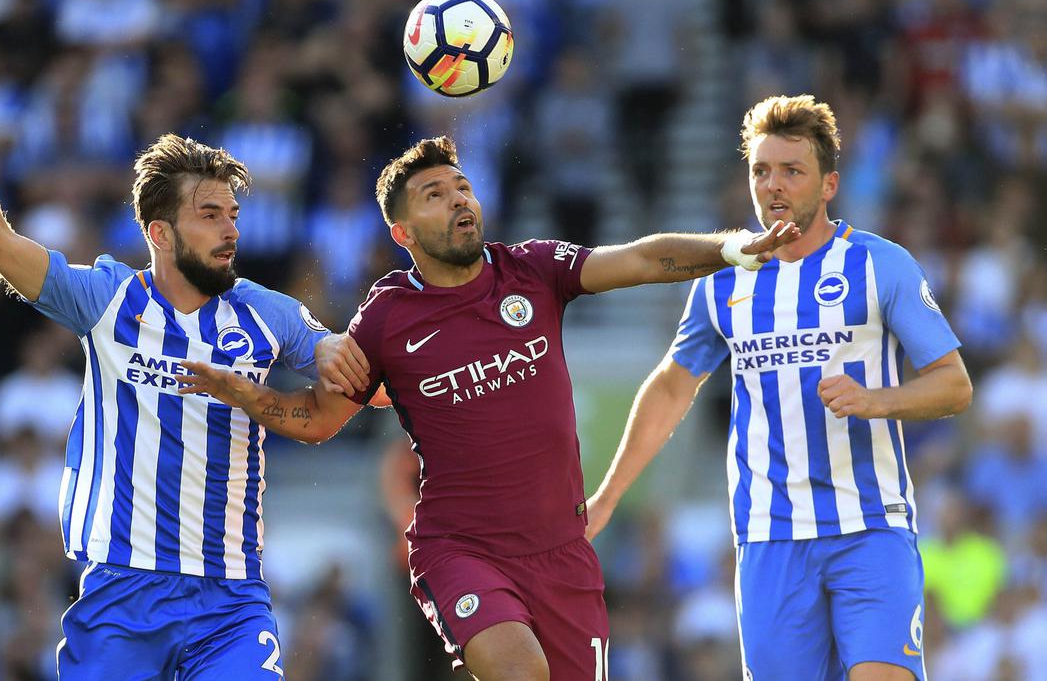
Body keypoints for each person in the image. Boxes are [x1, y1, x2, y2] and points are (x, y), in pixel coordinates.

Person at [175, 135, 800, 680]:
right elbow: (316, 418)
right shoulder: (388, 317)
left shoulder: (532, 268)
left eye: (462, 187)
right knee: (520, 669)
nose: (458, 201)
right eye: (435, 196)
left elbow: (638, 258)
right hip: (461, 549)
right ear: (403, 233)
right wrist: (242, 392)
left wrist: (731, 250)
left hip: (564, 552)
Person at [0, 49, 370, 679]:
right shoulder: (105, 299)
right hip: (122, 593)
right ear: (160, 233)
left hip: (231, 600)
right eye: (209, 215)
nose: (230, 231)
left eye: (234, 215)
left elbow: (338, 365)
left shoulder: (266, 313)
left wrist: (336, 350)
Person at [585, 95, 973, 681]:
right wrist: (608, 497)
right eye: (760, 171)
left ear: (829, 183)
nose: (773, 186)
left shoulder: (879, 265)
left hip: (871, 526)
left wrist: (876, 401)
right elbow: (671, 387)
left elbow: (954, 386)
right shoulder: (722, 280)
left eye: (792, 171)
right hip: (770, 536)